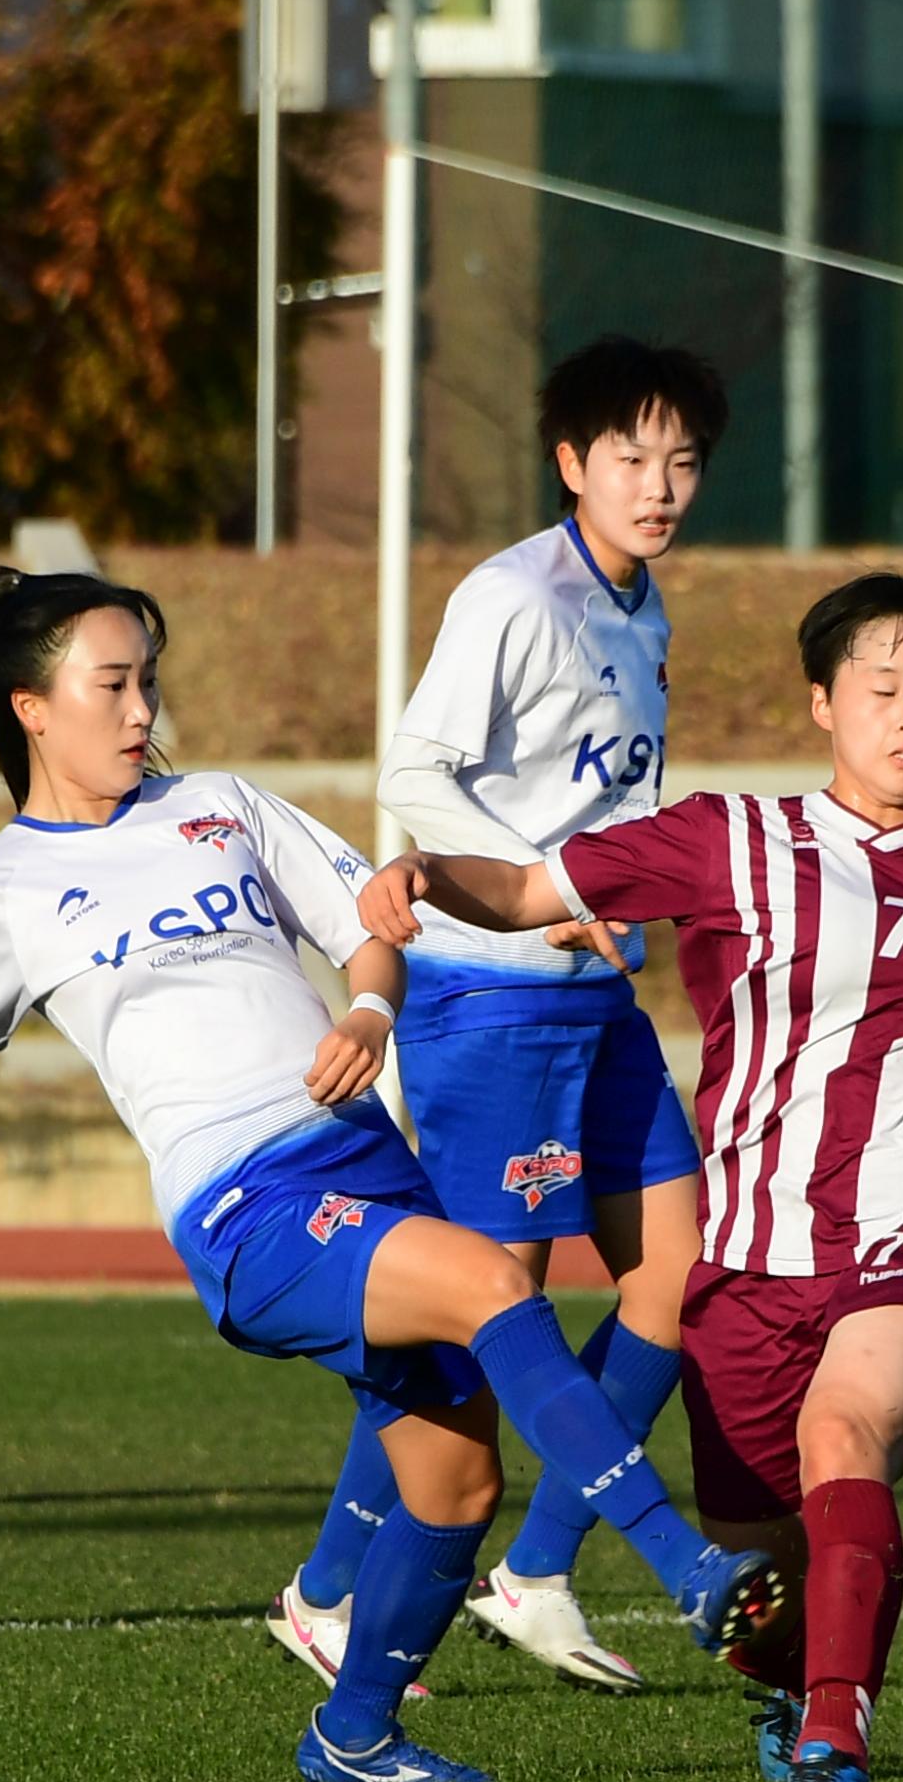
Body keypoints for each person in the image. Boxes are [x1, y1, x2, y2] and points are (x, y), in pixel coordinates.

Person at [0, 568, 783, 1782]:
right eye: (114, 683)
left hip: (363, 1162)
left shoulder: (223, 805)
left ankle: (351, 1736)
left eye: (149, 681)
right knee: (494, 1285)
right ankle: (686, 1566)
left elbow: (371, 917)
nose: (142, 710)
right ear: (33, 705)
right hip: (248, 1211)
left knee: (454, 1481)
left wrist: (364, 1008)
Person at [383, 563, 903, 1782]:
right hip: (749, 1266)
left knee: (843, 1426)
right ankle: (796, 1687)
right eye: (883, 688)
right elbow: (533, 892)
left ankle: (834, 1744)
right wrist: (422, 877)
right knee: (761, 1594)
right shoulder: (727, 838)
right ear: (822, 701)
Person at [271, 337, 728, 1700]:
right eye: (630, 458)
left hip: (602, 998)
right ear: (571, 463)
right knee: (494, 1298)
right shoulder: (513, 597)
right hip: (493, 999)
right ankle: (331, 1591)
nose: (658, 485)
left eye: (682, 461)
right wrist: (539, 891)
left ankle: (533, 1569)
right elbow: (415, 770)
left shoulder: (642, 610)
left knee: (675, 1273)